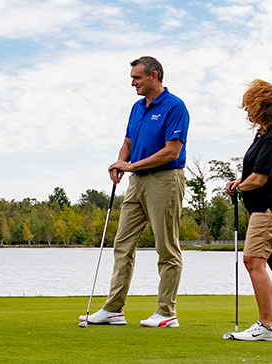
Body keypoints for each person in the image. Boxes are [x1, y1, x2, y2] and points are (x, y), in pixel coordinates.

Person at [80, 56, 190, 328]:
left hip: (165, 180)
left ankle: (167, 312)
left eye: (137, 78)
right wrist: (121, 163)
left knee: (166, 247)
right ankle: (113, 309)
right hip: (136, 182)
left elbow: (171, 150)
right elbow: (128, 141)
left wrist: (131, 165)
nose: (133, 83)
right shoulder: (137, 108)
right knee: (122, 244)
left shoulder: (175, 106)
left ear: (154, 76)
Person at [221, 80, 272, 342]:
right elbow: (254, 175)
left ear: (263, 107)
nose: (246, 112)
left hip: (270, 208)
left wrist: (238, 187)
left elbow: (259, 179)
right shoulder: (267, 133)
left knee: (253, 260)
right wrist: (240, 183)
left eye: (250, 106)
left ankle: (267, 326)